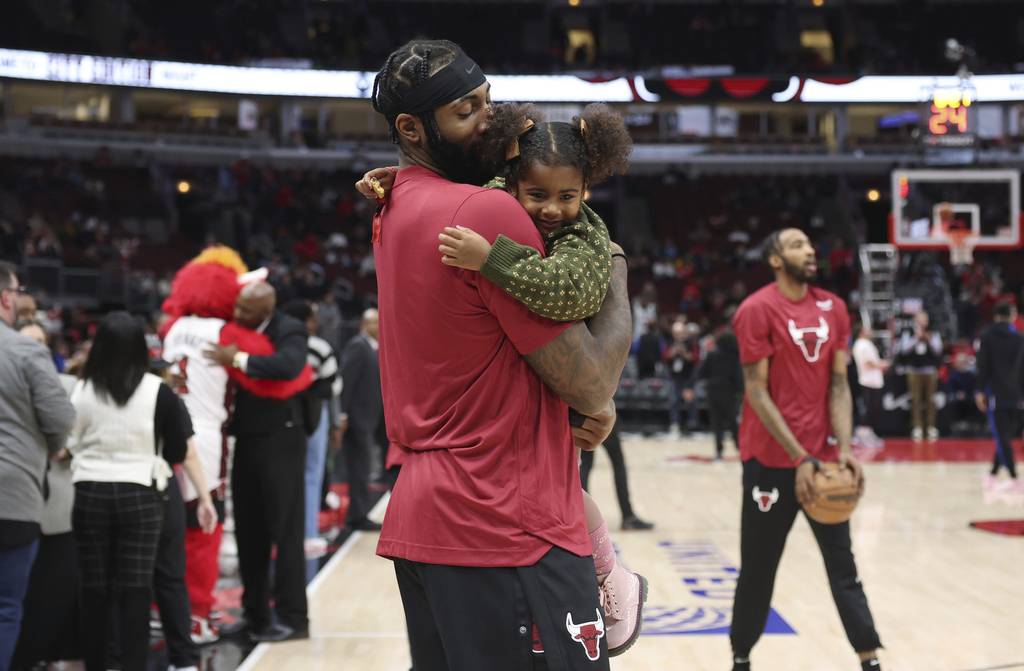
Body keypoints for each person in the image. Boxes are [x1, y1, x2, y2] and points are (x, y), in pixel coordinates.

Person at [362, 39, 632, 670]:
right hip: (509, 524)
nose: (490, 121)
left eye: (486, 101)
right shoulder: (485, 208)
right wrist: (616, 267)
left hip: (427, 517)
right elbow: (591, 382)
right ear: (411, 127)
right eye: (466, 111)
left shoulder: (391, 203)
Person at [730, 230, 883, 671]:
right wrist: (799, 457)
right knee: (758, 571)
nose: (810, 250)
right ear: (775, 259)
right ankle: (741, 657)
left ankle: (869, 658)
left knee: (843, 566)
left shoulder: (834, 308)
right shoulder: (756, 310)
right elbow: (757, 393)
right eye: (797, 245)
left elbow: (839, 384)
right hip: (770, 464)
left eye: (810, 244)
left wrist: (846, 449)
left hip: (823, 464)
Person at [67, 312, 191, 671]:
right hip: (142, 494)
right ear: (141, 347)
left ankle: (97, 663)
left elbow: (69, 441)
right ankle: (133, 664)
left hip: (90, 492)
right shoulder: (160, 391)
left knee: (93, 587)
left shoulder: (84, 388)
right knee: (136, 588)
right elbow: (177, 452)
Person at [204, 282, 310, 642]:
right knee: (250, 531)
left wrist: (236, 359)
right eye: (237, 309)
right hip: (246, 439)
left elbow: (288, 366)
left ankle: (294, 619)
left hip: (282, 440)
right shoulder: (237, 328)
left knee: (286, 531)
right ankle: (255, 616)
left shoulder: (289, 329)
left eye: (246, 312)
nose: (238, 316)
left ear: (266, 311)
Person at [0, 263, 75, 670]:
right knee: (6, 606)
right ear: (7, 297)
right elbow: (62, 420)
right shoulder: (26, 350)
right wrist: (54, 447)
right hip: (13, 495)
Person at [281, 299, 342, 572]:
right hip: (315, 414)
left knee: (285, 475)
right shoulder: (318, 346)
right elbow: (333, 385)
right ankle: (307, 533)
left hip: (282, 414)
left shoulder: (277, 343)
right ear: (307, 321)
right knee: (311, 474)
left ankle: (284, 535)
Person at [337, 308, 383, 532]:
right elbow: (346, 382)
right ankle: (357, 516)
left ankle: (360, 512)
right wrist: (343, 414)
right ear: (364, 325)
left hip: (370, 417)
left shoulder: (374, 348)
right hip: (357, 419)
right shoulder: (358, 346)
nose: (377, 326)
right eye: (373, 323)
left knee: (364, 466)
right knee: (359, 468)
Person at [975, 299, 1024, 492]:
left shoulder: (987, 336)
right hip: (1017, 393)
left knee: (1002, 437)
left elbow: (982, 366)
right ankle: (992, 475)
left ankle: (1014, 478)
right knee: (1005, 436)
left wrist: (979, 390)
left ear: (996, 315)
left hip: (995, 393)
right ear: (1012, 316)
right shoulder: (1020, 338)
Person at [695, 330, 743, 460]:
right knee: (733, 422)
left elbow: (701, 371)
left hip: (713, 391)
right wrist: (741, 391)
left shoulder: (711, 355)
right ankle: (739, 447)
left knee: (716, 423)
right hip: (729, 392)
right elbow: (738, 375)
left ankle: (718, 450)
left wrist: (691, 385)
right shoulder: (735, 356)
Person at [897, 310, 943, 442]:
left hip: (930, 370)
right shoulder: (908, 332)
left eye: (925, 320)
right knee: (916, 400)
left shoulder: (933, 332)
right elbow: (904, 350)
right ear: (916, 321)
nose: (923, 322)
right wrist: (916, 338)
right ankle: (917, 427)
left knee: (930, 400)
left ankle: (931, 427)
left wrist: (929, 339)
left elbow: (938, 350)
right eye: (921, 320)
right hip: (913, 370)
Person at [851, 323, 889, 448]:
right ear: (861, 332)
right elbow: (867, 363)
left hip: (873, 381)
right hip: (868, 381)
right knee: (869, 409)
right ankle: (862, 434)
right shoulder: (862, 344)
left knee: (874, 409)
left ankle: (868, 432)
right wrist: (881, 365)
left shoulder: (865, 344)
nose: (870, 331)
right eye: (867, 330)